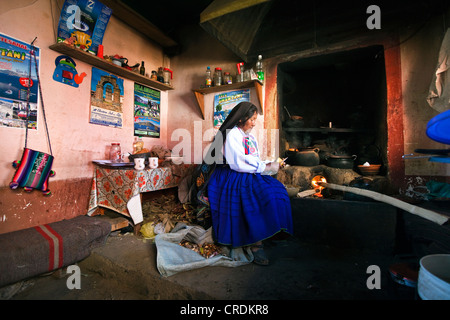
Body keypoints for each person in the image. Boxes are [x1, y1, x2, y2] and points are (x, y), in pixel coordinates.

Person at [192, 101, 293, 265]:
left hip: (244, 171)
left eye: (255, 120)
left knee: (276, 189)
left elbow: (252, 160)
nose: (254, 123)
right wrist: (266, 166)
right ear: (241, 119)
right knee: (256, 194)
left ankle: (268, 231)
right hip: (229, 174)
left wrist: (268, 164)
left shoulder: (249, 137)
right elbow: (237, 164)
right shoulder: (231, 135)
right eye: (252, 119)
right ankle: (255, 244)